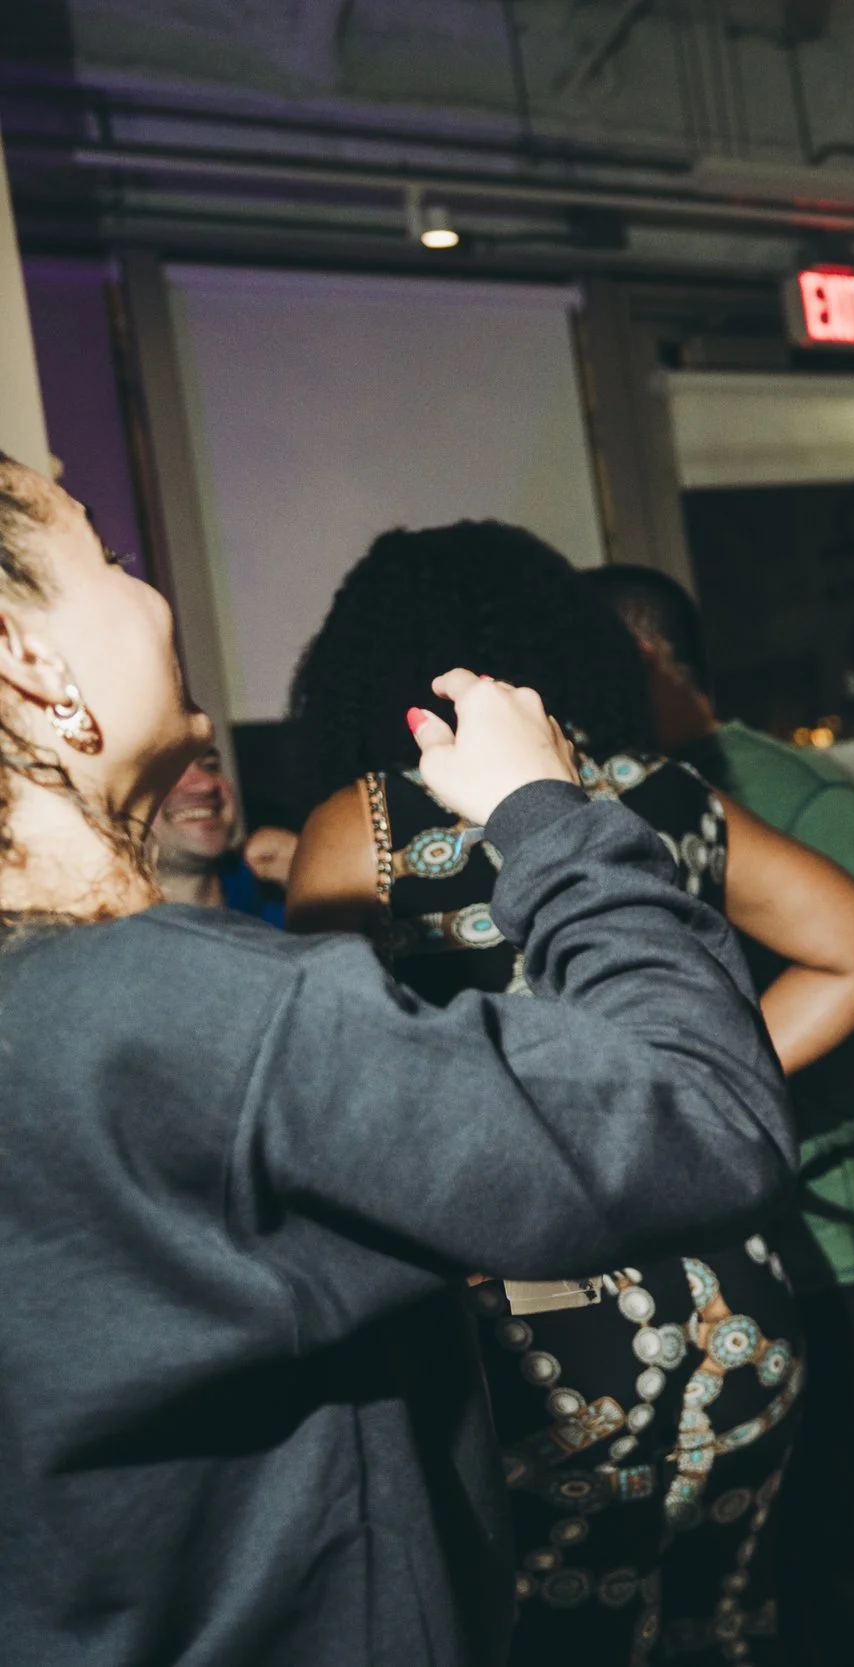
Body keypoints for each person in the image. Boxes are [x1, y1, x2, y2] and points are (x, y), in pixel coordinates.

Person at [0, 457, 801, 1664]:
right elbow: (711, 1113)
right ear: (27, 661)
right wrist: (545, 812)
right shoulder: (190, 1012)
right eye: (106, 555)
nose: (148, 588)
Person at [286, 523, 854, 1667]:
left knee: (551, 1637)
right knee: (721, 1627)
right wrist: (684, 1092)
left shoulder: (360, 825)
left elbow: (325, 1087)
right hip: (729, 1306)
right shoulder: (656, 797)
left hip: (524, 1318)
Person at [585, 561, 854, 1667]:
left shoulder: (798, 798)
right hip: (706, 1262)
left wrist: (751, 1145)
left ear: (642, 659)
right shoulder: (621, 795)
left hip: (823, 1246)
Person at [147, 747, 285, 923]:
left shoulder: (293, 921)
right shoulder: (117, 936)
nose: (206, 785)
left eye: (210, 766)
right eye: (166, 772)